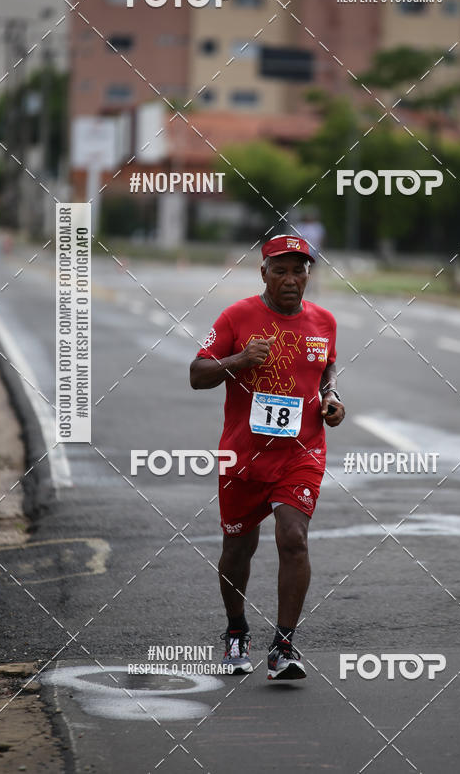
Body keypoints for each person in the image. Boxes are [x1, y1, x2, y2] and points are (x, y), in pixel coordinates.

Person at [190, 234, 345, 680]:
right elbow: (197, 374)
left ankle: (284, 646)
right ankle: (236, 629)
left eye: (299, 271)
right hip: (243, 457)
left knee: (293, 537)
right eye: (280, 271)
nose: (291, 280)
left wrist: (332, 398)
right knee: (238, 547)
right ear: (263, 273)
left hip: (301, 452)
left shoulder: (324, 321)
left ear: (308, 274)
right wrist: (239, 359)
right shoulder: (236, 317)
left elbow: (326, 368)